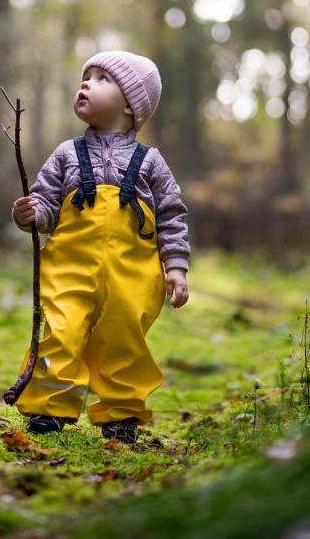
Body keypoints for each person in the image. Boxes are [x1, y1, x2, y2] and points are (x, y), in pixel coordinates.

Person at [11, 50, 190, 444]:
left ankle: (121, 414)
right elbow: (45, 206)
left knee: (124, 340)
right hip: (68, 267)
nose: (85, 83)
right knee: (61, 329)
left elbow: (172, 215)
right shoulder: (65, 155)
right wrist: (31, 214)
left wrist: (175, 265)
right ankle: (48, 408)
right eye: (85, 76)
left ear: (130, 104)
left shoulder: (151, 163)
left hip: (132, 276)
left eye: (101, 78)